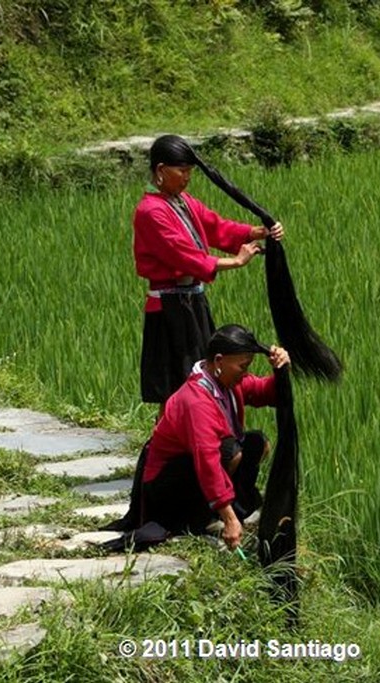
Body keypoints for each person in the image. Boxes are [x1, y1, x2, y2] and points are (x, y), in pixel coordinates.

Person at [133, 134, 284, 412]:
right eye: (182, 171)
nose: (187, 177)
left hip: (193, 302)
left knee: (201, 377)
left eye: (190, 171)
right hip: (168, 309)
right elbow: (184, 256)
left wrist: (258, 232)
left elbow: (216, 227)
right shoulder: (150, 212)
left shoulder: (184, 202)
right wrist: (237, 262)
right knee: (176, 388)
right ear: (160, 170)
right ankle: (169, 445)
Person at [139, 324, 290, 550]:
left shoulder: (226, 383)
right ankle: (203, 517)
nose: (245, 373)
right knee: (231, 453)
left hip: (192, 468)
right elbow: (207, 462)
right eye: (243, 366)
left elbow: (264, 391)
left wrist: (281, 370)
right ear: (219, 361)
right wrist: (228, 518)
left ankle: (233, 510)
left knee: (257, 443)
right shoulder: (196, 401)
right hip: (165, 486)